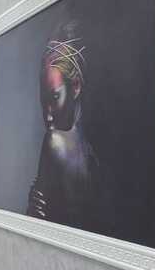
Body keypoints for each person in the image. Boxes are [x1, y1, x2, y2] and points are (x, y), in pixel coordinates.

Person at [27, 19, 103, 232]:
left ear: (76, 86)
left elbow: (36, 221)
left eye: (54, 97)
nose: (48, 116)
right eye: (43, 100)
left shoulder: (55, 142)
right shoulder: (91, 150)